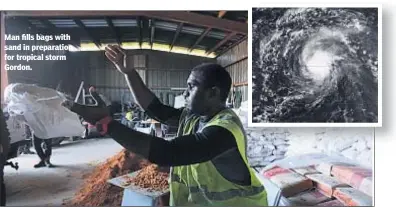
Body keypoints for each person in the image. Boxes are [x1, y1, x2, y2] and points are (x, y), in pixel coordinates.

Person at [63, 45, 267, 206]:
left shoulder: (224, 131)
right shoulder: (195, 117)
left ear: (213, 93)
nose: (185, 93)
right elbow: (155, 109)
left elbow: (168, 152)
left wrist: (107, 124)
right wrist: (129, 72)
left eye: (191, 87)